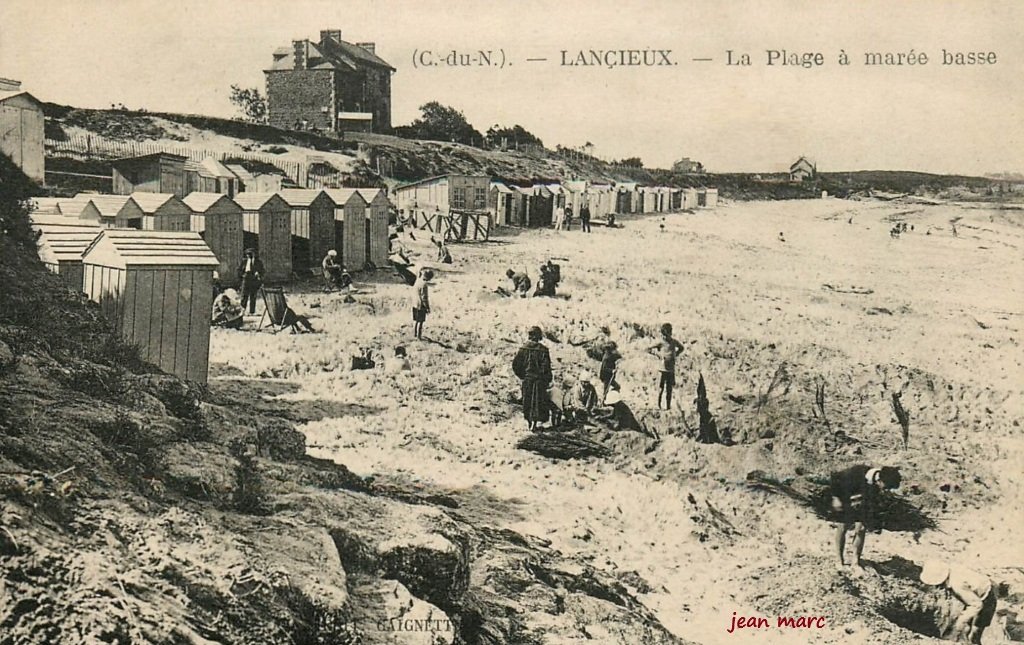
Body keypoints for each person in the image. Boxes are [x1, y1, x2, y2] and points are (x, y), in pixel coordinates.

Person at [828, 464, 902, 571]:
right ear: (880, 481)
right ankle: (839, 560)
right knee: (843, 526)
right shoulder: (857, 472)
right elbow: (836, 479)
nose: (887, 490)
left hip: (862, 500)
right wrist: (836, 498)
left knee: (861, 528)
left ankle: (856, 561)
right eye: (886, 487)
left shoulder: (877, 484)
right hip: (844, 496)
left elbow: (872, 501)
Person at [919, 560, 996, 644]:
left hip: (987, 596)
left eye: (937, 585)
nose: (937, 588)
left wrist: (959, 624)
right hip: (974, 591)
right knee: (966, 626)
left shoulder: (957, 584)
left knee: (975, 632)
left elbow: (976, 605)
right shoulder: (952, 569)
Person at [512, 326, 553, 432]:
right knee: (537, 403)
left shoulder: (523, 349)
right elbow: (546, 368)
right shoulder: (543, 350)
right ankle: (534, 424)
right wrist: (546, 380)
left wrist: (523, 376)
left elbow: (516, 365)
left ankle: (529, 422)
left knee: (528, 402)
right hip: (539, 381)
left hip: (528, 380)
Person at [648, 323, 684, 410]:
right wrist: (657, 354)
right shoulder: (660, 342)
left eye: (666, 334)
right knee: (660, 388)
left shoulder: (674, 342)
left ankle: (668, 406)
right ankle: (659, 405)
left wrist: (675, 354)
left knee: (669, 389)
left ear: (670, 333)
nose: (664, 337)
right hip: (662, 369)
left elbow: (681, 348)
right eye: (663, 335)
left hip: (671, 370)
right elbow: (648, 349)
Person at [236, 248, 265, 315]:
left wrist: (259, 274)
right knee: (244, 296)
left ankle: (252, 311)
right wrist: (242, 276)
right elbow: (239, 270)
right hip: (246, 278)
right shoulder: (244, 261)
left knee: (253, 296)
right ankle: (242, 311)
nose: (249, 255)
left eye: (251, 254)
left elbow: (262, 271)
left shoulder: (258, 262)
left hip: (254, 279)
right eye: (248, 254)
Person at [413, 268, 433, 340]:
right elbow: (424, 297)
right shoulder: (424, 285)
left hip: (415, 303)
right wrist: (427, 307)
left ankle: (415, 334)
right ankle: (419, 336)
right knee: (420, 321)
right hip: (420, 305)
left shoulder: (417, 281)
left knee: (416, 320)